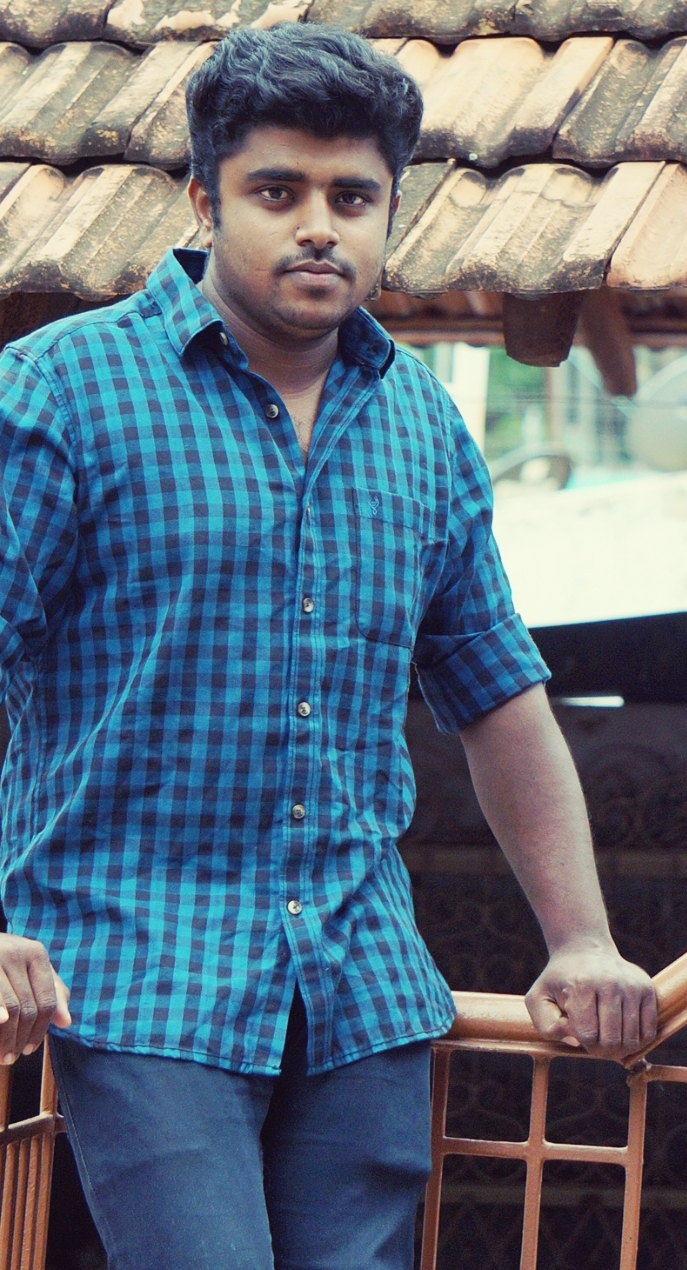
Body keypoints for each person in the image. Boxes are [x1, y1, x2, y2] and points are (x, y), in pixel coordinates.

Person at [0, 24, 656, 1270]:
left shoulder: (421, 425)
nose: (319, 227)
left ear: (390, 208)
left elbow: (498, 693)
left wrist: (581, 938)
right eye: (277, 192)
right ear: (205, 199)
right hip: (137, 969)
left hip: (360, 984)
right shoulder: (62, 392)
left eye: (352, 198)